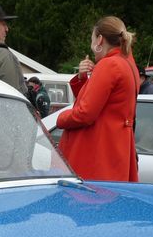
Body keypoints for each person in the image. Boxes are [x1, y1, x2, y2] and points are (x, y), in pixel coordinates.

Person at [56, 16, 140, 182]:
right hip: (115, 149)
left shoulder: (109, 65)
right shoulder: (127, 64)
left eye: (92, 39)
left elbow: (85, 113)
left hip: (98, 153)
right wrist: (82, 78)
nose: (92, 45)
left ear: (100, 39)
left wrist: (60, 118)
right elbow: (102, 104)